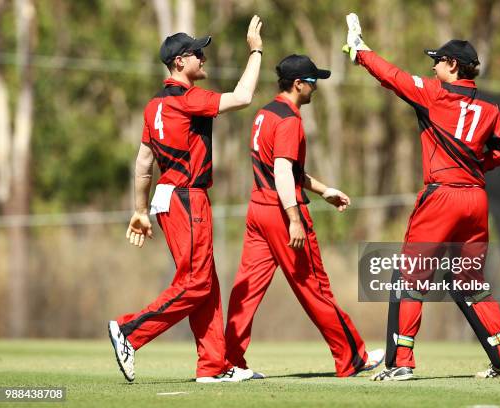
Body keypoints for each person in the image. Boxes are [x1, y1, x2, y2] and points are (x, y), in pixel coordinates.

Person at [342, 13, 500, 381]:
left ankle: (399, 364)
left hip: (442, 198)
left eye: (437, 60)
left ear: (453, 65)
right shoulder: (490, 110)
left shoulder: (433, 94)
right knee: (469, 282)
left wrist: (360, 51)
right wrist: (476, 166)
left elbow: (391, 76)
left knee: (409, 278)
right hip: (475, 199)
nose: (433, 65)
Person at [108, 15, 264, 383]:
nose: (203, 59)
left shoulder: (153, 106)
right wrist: (256, 51)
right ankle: (129, 331)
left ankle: (213, 366)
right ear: (180, 62)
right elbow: (243, 97)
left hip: (167, 198)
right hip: (187, 198)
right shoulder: (187, 99)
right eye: (198, 53)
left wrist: (140, 210)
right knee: (195, 283)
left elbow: (144, 163)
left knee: (205, 282)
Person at [224, 54, 384, 378]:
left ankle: (226, 362)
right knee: (316, 289)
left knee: (247, 288)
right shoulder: (289, 120)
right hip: (282, 214)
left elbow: (286, 168)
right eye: (313, 82)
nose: (316, 88)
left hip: (258, 209)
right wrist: (294, 218)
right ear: (298, 84)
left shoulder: (265, 113)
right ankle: (353, 357)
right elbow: (283, 171)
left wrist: (324, 190)